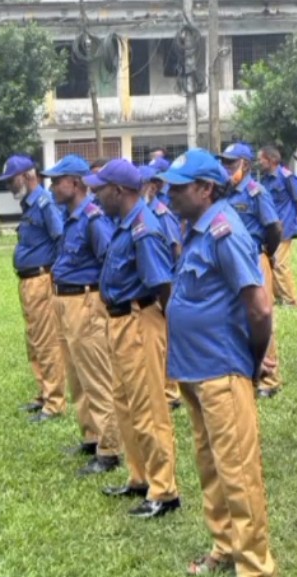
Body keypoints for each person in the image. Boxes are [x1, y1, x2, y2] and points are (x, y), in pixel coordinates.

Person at [160, 150, 277, 576]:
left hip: (222, 369)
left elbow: (259, 307)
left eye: (178, 187)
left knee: (239, 473)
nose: (169, 194)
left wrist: (253, 359)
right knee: (211, 468)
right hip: (195, 370)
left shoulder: (225, 232)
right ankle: (225, 546)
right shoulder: (197, 230)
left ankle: (254, 565)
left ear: (205, 189)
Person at [84, 159, 181, 519]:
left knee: (149, 408)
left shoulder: (143, 228)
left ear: (120, 191)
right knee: (125, 404)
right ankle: (140, 478)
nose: (95, 194)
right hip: (122, 321)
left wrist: (166, 330)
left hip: (140, 321)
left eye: (100, 188)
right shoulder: (124, 224)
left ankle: (165, 490)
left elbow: (162, 285)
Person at [43, 154, 120, 477]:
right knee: (77, 376)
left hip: (85, 302)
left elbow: (110, 262)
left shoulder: (92, 219)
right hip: (65, 302)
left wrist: (99, 304)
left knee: (97, 376)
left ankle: (110, 448)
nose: (52, 186)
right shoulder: (71, 216)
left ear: (74, 183)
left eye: (57, 181)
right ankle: (91, 436)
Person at [0, 155, 67, 423]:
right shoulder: (29, 205)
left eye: (11, 180)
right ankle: (43, 394)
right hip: (28, 281)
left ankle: (54, 402)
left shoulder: (44, 203)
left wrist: (56, 277)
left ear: (28, 176)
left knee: (46, 340)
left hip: (41, 279)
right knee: (33, 340)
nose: (9, 187)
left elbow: (60, 237)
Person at [219, 143, 284, 400]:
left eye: (231, 164)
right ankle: (249, 370)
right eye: (224, 164)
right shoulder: (224, 193)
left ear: (245, 165)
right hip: (233, 262)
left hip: (255, 258)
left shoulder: (256, 192)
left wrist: (267, 253)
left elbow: (274, 227)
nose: (226, 169)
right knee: (239, 314)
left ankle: (271, 378)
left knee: (262, 314)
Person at [138, 162, 183, 409]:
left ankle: (170, 392)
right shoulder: (142, 214)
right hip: (151, 285)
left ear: (153, 188)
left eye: (142, 184)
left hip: (165, 285)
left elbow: (176, 249)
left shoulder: (162, 215)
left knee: (165, 339)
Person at [257, 146, 297, 308]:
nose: (259, 162)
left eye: (261, 159)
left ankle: (291, 300)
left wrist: (291, 218)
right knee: (271, 262)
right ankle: (278, 297)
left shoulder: (286, 177)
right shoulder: (264, 180)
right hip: (271, 228)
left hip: (284, 227)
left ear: (271, 160)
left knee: (281, 264)